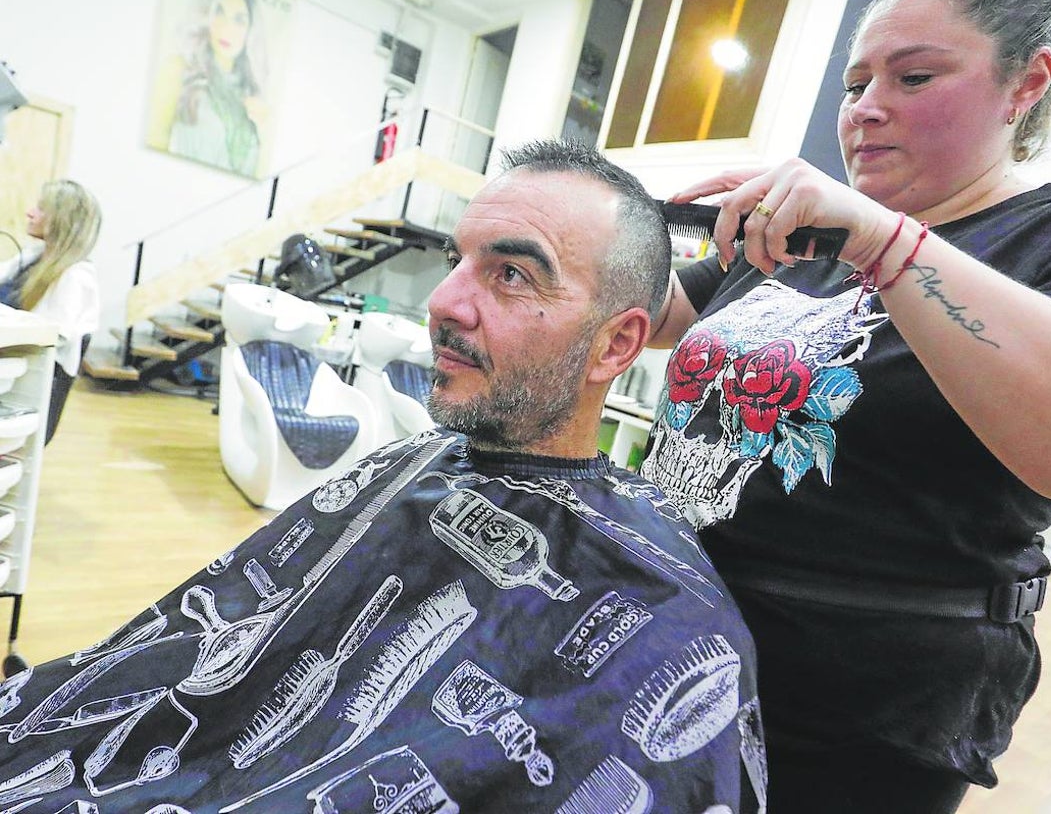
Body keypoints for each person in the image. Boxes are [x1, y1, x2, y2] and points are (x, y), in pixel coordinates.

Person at [0, 141, 764, 812]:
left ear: (616, 345)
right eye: (456, 262)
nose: (442, 303)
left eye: (511, 275)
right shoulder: (408, 464)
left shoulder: (668, 612)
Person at [639, 0, 1051, 810]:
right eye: (856, 84)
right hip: (657, 642)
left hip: (844, 725)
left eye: (913, 77)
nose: (865, 106)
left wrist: (883, 243)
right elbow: (651, 314)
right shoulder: (806, 234)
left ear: (1028, 81)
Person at [0, 179, 101, 444]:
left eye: (41, 209)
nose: (30, 212)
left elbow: (54, 336)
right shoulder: (35, 256)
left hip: (25, 382)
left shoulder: (76, 277)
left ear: (63, 220)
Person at [154, 0, 267, 176]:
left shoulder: (252, 97)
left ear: (250, 28)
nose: (227, 28)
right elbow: (155, 139)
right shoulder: (178, 69)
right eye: (219, 12)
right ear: (205, 16)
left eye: (239, 20)